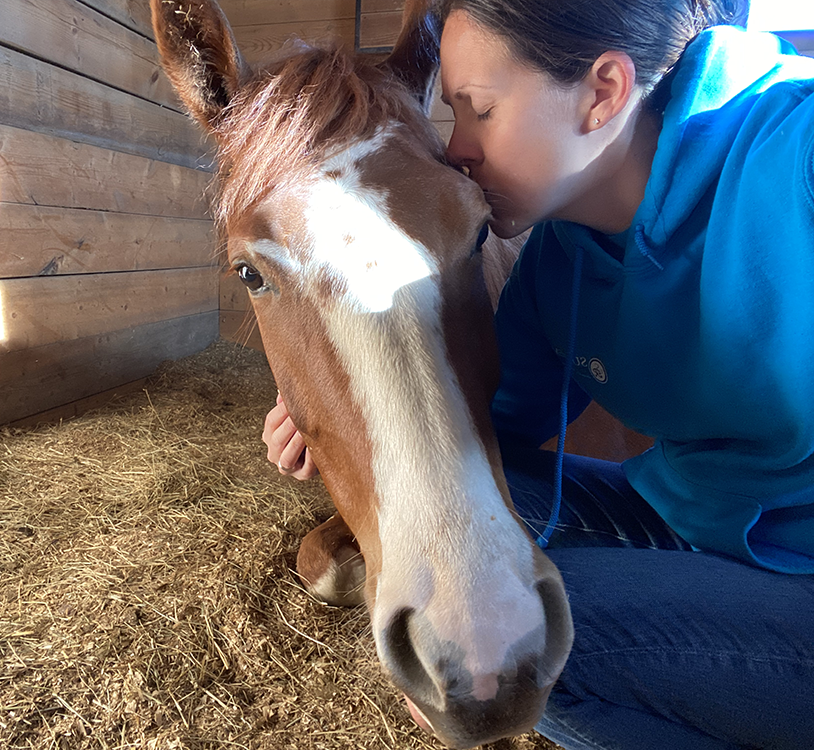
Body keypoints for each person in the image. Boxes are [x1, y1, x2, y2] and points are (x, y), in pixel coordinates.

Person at [263, 0, 814, 748]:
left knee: (525, 652)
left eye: (476, 110)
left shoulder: (795, 152)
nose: (456, 150)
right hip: (687, 518)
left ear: (604, 93)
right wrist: (335, 414)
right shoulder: (558, 260)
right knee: (442, 514)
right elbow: (486, 431)